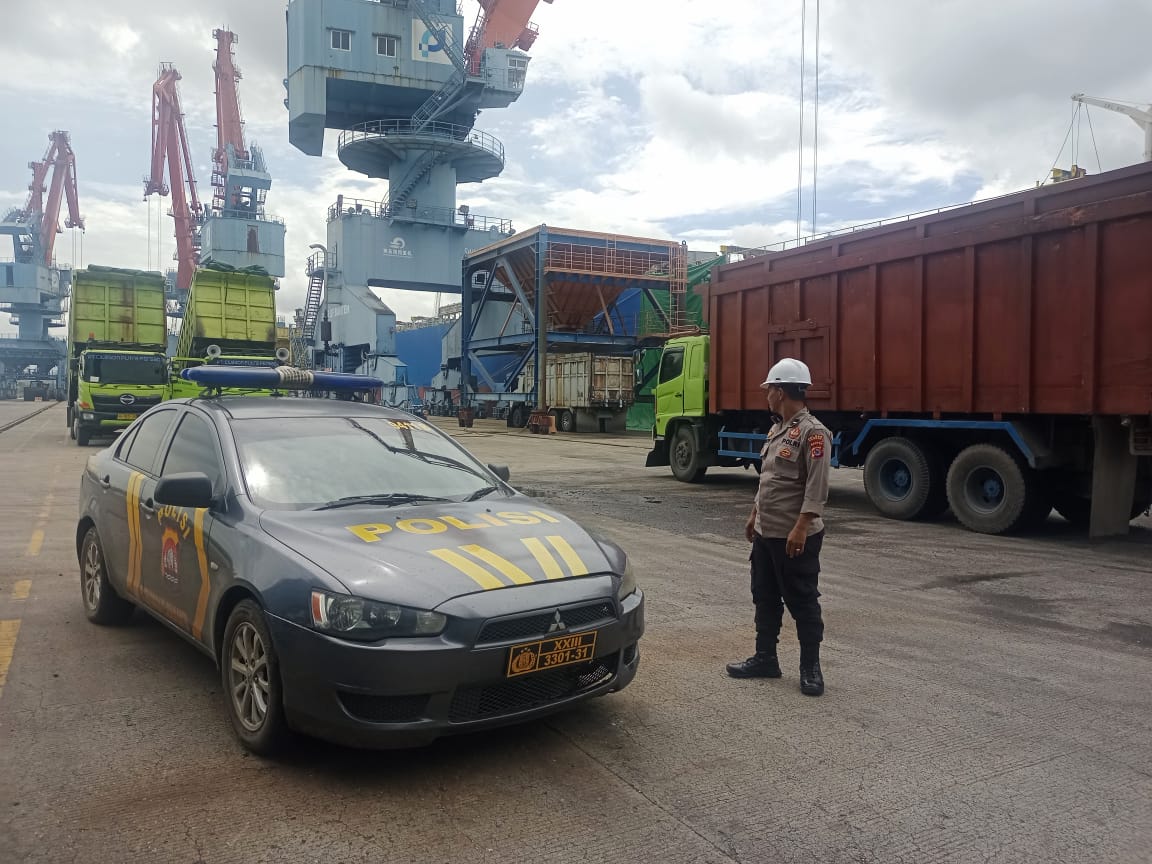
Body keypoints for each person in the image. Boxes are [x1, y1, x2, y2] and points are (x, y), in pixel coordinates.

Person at [726, 358, 831, 696]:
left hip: (793, 535)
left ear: (781, 392)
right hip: (766, 532)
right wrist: (754, 514)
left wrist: (801, 527)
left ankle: (810, 668)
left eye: (769, 389)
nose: (767, 395)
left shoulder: (813, 433)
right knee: (765, 596)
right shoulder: (776, 430)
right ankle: (765, 659)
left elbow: (817, 486)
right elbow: (769, 480)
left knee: (803, 601)